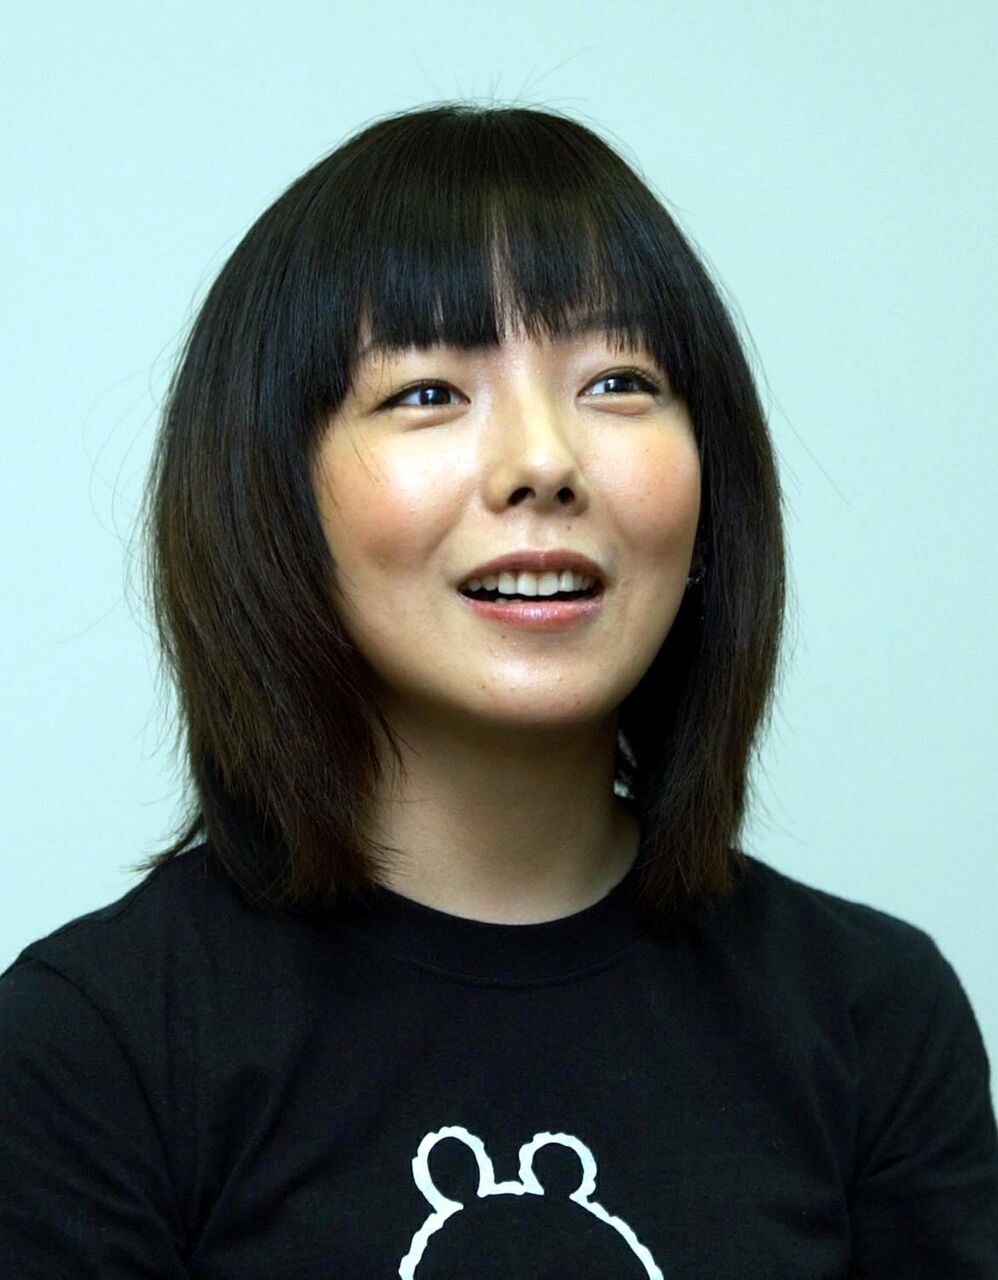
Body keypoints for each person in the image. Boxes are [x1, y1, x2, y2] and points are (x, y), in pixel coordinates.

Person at [0, 102, 994, 1277]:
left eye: (616, 379)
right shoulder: (94, 1042)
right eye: (426, 391)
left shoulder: (874, 1017)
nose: (541, 462)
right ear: (273, 492)